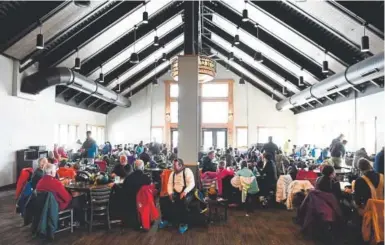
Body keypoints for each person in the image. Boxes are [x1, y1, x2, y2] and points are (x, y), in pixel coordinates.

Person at [159, 159, 195, 234]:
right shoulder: (173, 173)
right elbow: (169, 184)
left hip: (187, 192)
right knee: (163, 200)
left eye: (175, 166)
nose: (173, 167)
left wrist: (185, 192)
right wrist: (170, 193)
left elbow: (192, 183)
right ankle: (166, 219)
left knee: (183, 202)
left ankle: (184, 223)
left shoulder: (187, 171)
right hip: (175, 192)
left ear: (181, 165)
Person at [122, 159, 151, 228]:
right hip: (143, 203)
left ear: (134, 167)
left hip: (130, 204)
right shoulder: (146, 179)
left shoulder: (128, 178)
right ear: (142, 167)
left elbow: (124, 190)